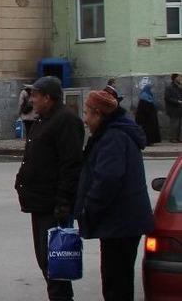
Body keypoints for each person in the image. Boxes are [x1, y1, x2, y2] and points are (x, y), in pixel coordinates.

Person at [74, 90, 155, 301]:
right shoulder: (116, 133)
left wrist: (88, 208)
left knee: (116, 284)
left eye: (87, 113)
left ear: (99, 114)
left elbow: (107, 179)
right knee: (119, 279)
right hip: (122, 222)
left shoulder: (113, 137)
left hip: (120, 223)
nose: (85, 119)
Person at [14, 76, 84, 301]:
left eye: (35, 95)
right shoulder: (43, 119)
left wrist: (64, 201)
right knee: (45, 260)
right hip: (39, 202)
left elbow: (70, 164)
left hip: (54, 205)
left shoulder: (65, 120)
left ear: (48, 97)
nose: (31, 99)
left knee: (55, 261)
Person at [165, 73, 182, 143]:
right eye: (179, 77)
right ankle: (172, 138)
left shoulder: (180, 86)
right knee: (174, 124)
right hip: (173, 109)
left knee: (180, 125)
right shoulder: (169, 87)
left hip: (180, 108)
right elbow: (167, 98)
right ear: (175, 78)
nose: (181, 78)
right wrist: (177, 101)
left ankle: (179, 138)